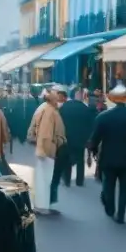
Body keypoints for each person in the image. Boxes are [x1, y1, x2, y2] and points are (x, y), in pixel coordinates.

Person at [88, 83, 126, 224]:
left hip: (108, 158)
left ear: (112, 99)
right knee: (124, 188)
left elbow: (95, 139)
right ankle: (121, 215)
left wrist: (93, 152)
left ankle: (110, 207)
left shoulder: (103, 117)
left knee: (108, 185)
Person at [27, 86, 65, 215]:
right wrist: (46, 150)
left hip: (42, 148)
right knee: (45, 178)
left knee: (41, 177)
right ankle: (42, 207)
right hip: (47, 150)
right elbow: (46, 133)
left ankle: (40, 205)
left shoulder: (43, 108)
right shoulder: (50, 111)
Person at [59, 86, 95, 187]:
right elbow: (90, 124)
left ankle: (67, 179)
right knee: (80, 160)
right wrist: (88, 138)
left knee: (67, 159)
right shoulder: (85, 108)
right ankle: (80, 181)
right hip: (80, 139)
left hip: (67, 138)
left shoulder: (64, 107)